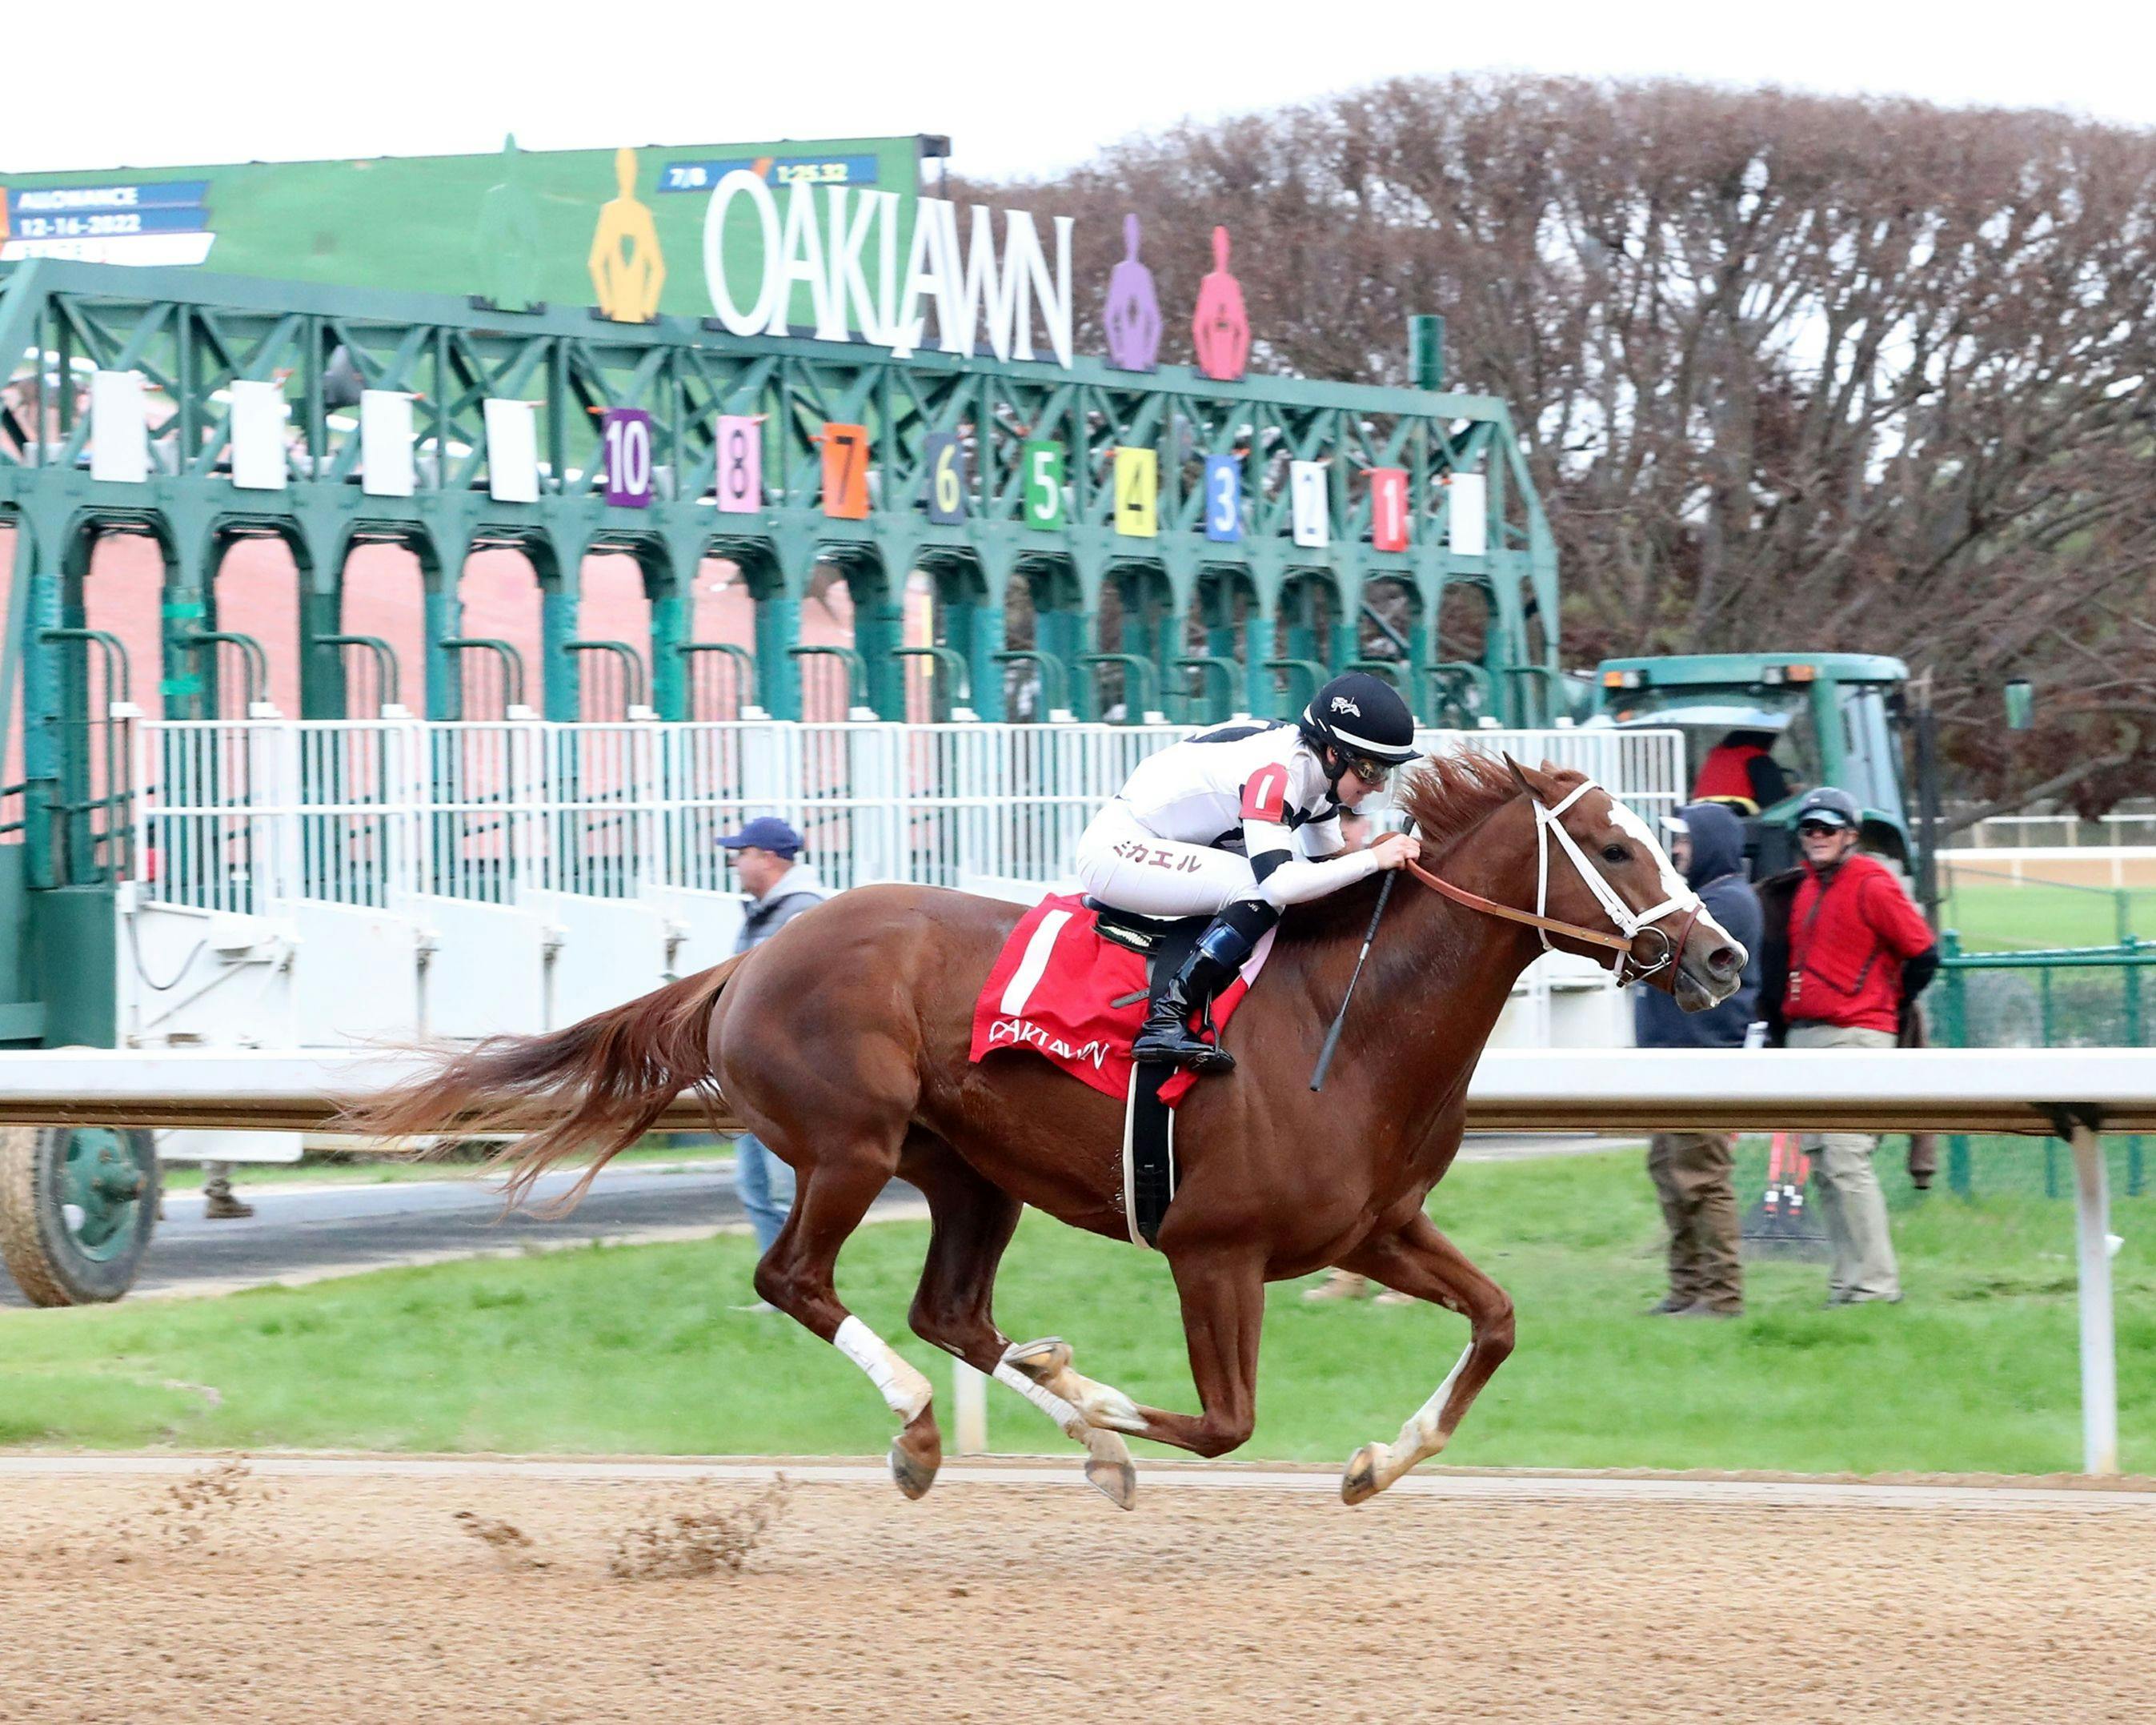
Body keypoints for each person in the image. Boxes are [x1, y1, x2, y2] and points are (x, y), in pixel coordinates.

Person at [1072, 672, 1424, 1074]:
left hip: (1164, 842)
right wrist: (1371, 860)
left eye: (1385, 773)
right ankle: (1165, 1020)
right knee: (1255, 890)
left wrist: (1376, 853)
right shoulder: (1277, 774)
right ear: (1333, 754)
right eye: (1370, 771)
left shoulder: (1317, 783)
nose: (1378, 787)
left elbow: (1330, 864)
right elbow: (1279, 884)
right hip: (1118, 848)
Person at [1759, 788, 1939, 1306]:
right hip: (1806, 1036)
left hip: (1857, 1034)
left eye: (1828, 828)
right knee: (1821, 1160)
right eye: (1810, 829)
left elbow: (1923, 952)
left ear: (1850, 835)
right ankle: (1847, 1283)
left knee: (1846, 1157)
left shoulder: (1873, 883)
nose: (1817, 836)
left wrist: (1888, 1004)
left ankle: (1878, 1285)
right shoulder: (1805, 888)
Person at [1633, 803, 1761, 1318]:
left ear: (1709, 843)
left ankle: (1722, 1297)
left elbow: (1657, 948)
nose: (1676, 849)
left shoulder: (1725, 904)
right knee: (1671, 1174)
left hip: (1702, 1063)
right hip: (1676, 1063)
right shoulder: (1706, 900)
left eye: (1685, 840)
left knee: (1704, 1180)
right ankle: (1686, 1291)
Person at [719, 816, 829, 1306]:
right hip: (759, 1077)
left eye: (741, 852)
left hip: (786, 1079)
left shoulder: (802, 915)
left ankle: (800, 1289)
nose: (734, 861)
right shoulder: (768, 912)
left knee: (783, 1189)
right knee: (757, 1188)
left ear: (768, 858)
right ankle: (780, 1293)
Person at [1691, 728, 1790, 813]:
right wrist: (1792, 795)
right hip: (1743, 822)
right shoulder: (1758, 759)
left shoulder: (1713, 757)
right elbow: (1775, 805)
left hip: (1701, 818)